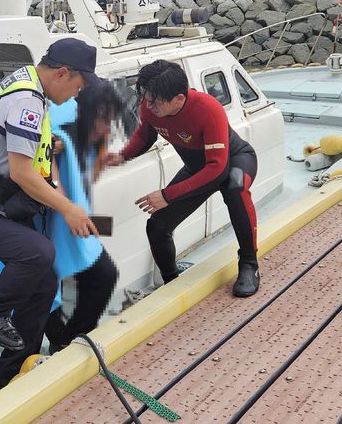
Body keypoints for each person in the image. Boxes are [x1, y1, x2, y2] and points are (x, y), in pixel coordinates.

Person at [0, 37, 101, 391]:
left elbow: (26, 148)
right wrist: (70, 208)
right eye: (78, 86)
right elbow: (21, 172)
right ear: (62, 73)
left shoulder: (27, 82)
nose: (77, 94)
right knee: (40, 252)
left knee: (44, 281)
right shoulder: (28, 101)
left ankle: (11, 372)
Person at [103, 60, 260, 297]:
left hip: (234, 161)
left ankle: (249, 264)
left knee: (235, 189)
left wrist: (167, 195)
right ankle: (171, 281)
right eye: (145, 97)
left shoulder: (208, 109)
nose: (148, 104)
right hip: (198, 168)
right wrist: (121, 156)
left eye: (155, 100)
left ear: (178, 98)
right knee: (157, 225)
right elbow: (144, 138)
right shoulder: (151, 106)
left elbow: (217, 168)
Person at [43, 81, 121, 354]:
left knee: (98, 277)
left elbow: (87, 179)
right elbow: (50, 147)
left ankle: (67, 338)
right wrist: (64, 201)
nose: (106, 127)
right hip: (52, 226)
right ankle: (64, 340)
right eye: (102, 119)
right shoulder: (66, 137)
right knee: (103, 275)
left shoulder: (91, 144)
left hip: (69, 226)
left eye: (110, 120)